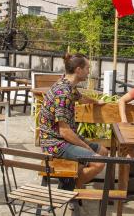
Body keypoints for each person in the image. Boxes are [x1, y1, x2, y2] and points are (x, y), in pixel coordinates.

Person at [39, 53, 108, 188]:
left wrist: (96, 102)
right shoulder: (63, 93)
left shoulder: (67, 84)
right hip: (55, 143)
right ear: (78, 70)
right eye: (87, 68)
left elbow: (81, 98)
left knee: (104, 152)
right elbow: (64, 132)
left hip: (63, 139)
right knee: (99, 162)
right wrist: (87, 148)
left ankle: (71, 183)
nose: (89, 72)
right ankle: (70, 187)